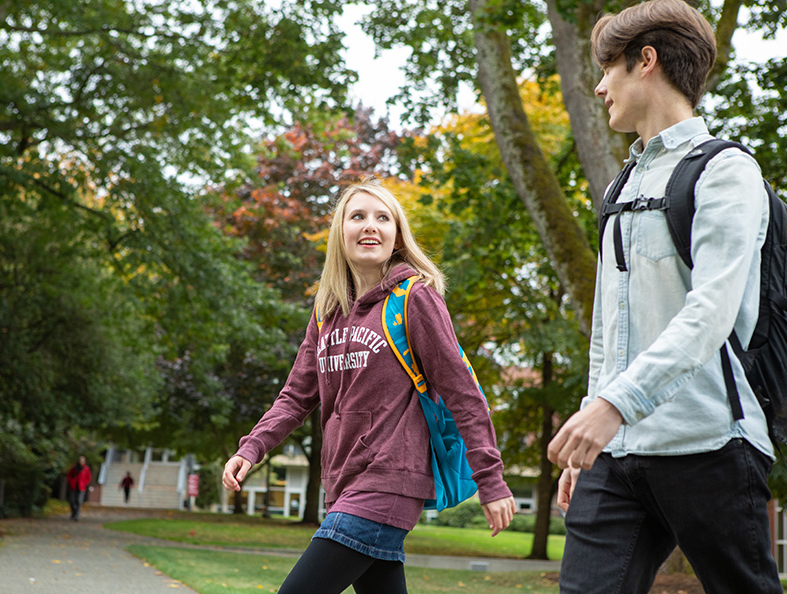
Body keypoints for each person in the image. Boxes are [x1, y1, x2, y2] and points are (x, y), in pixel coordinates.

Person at [546, 1, 782, 592]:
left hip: (709, 444)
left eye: (608, 70)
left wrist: (613, 406)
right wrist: (590, 427)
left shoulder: (726, 172)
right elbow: (609, 326)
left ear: (645, 60)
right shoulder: (624, 183)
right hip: (618, 452)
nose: (600, 87)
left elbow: (710, 313)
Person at [223, 178, 516, 594]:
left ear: (397, 235)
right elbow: (295, 397)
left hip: (390, 480)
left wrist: (491, 479)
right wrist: (250, 448)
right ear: (339, 232)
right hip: (342, 482)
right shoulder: (327, 312)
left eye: (383, 218)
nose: (370, 226)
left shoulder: (415, 298)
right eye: (357, 216)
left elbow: (462, 392)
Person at [66, 455, 91, 521]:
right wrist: (71, 482)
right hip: (73, 487)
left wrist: (84, 483)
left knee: (79, 501)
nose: (81, 462)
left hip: (81, 487)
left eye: (83, 460)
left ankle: (77, 515)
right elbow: (69, 476)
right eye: (80, 460)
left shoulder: (86, 468)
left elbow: (88, 478)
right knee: (72, 501)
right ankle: (73, 513)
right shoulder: (74, 468)